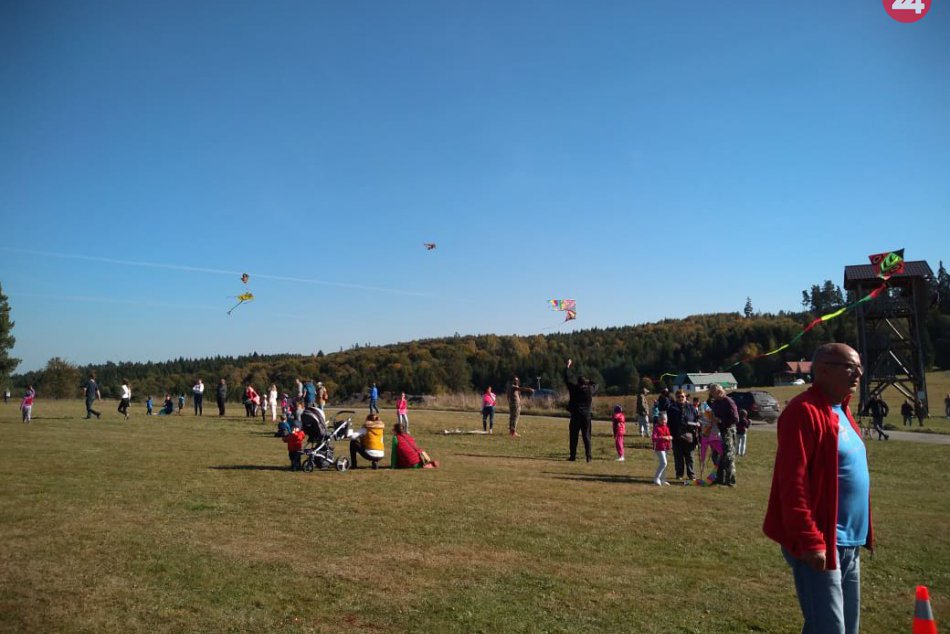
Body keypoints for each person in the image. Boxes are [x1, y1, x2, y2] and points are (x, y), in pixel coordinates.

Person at [763, 342, 873, 634]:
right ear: (823, 369)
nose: (858, 373)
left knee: (848, 628)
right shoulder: (803, 411)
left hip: (850, 541)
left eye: (859, 366)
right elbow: (793, 482)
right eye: (851, 366)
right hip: (822, 539)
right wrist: (810, 539)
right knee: (829, 629)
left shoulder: (842, 411)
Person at [564, 359, 597, 462]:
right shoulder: (590, 390)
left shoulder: (574, 389)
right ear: (585, 383)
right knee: (586, 436)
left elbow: (566, 378)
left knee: (574, 436)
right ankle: (588, 456)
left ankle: (573, 456)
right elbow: (596, 384)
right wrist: (588, 381)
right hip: (586, 415)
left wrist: (567, 366)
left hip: (576, 415)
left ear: (577, 383)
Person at [708, 384, 738, 486]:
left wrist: (721, 420)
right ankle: (719, 478)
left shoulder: (728, 402)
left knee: (728, 456)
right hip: (717, 431)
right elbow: (714, 415)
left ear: (719, 392)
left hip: (728, 431)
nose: (711, 395)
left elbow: (735, 419)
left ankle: (730, 481)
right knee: (716, 455)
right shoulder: (715, 403)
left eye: (712, 393)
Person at [667, 390, 700, 480]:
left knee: (690, 457)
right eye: (678, 396)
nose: (680, 398)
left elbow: (697, 420)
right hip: (676, 436)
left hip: (689, 436)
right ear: (676, 398)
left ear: (685, 397)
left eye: (682, 396)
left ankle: (691, 475)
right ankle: (679, 474)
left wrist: (696, 426)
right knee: (678, 457)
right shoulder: (671, 408)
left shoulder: (692, 408)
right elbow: (668, 423)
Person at [652, 412, 672, 486]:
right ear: (659, 420)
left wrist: (670, 437)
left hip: (665, 447)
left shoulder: (666, 427)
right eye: (662, 419)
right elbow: (654, 438)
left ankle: (663, 479)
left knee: (664, 464)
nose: (663, 421)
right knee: (664, 463)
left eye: (665, 419)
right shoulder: (656, 428)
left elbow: (668, 435)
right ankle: (656, 478)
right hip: (659, 448)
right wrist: (663, 437)